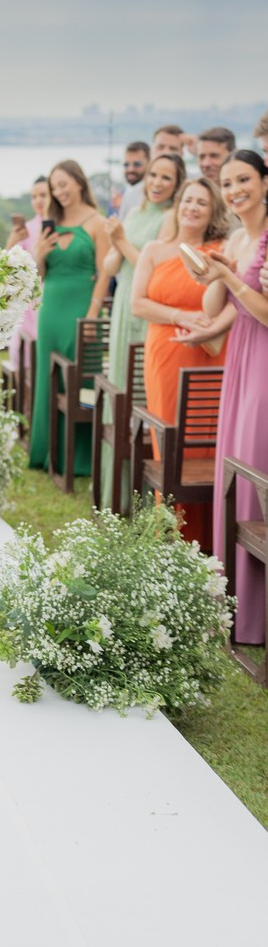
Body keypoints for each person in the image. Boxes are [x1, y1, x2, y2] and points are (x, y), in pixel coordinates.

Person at [176, 151, 268, 646]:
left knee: (256, 472)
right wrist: (211, 281)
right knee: (231, 467)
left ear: (264, 181)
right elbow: (232, 306)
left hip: (265, 367)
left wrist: (230, 278)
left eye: (244, 180)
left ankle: (257, 615)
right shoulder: (236, 237)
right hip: (240, 359)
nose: (234, 190)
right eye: (228, 182)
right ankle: (232, 604)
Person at [130, 176, 230, 547]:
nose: (192, 207)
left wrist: (204, 322)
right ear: (178, 204)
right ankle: (170, 537)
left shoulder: (219, 251)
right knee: (170, 441)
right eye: (188, 200)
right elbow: (137, 303)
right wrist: (180, 316)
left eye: (202, 202)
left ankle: (209, 539)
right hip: (166, 351)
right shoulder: (155, 249)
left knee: (208, 443)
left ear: (213, 211)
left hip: (212, 352)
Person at [98, 151, 184, 509]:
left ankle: (144, 497)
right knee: (119, 391)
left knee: (141, 398)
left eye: (167, 177)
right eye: (154, 176)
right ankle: (114, 494)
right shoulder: (135, 212)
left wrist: (120, 241)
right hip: (122, 308)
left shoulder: (168, 220)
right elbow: (111, 265)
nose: (158, 183)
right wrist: (113, 239)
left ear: (177, 184)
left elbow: (152, 269)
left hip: (145, 310)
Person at [28, 160, 110, 474]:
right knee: (47, 381)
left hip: (83, 309)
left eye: (63, 184)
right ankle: (48, 452)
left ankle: (81, 459)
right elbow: (41, 275)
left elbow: (104, 274)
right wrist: (40, 255)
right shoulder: (51, 222)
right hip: (52, 310)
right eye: (54, 187)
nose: (59, 192)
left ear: (78, 182)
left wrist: (91, 316)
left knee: (82, 381)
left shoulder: (97, 223)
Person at [4, 176, 49, 369]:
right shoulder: (27, 229)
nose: (38, 200)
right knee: (24, 351)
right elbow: (7, 264)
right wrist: (13, 240)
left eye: (43, 195)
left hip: (50, 293)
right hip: (30, 298)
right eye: (34, 196)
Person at [118, 141, 151, 219]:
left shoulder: (151, 194)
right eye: (126, 165)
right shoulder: (128, 189)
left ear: (150, 163)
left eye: (137, 164)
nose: (130, 169)